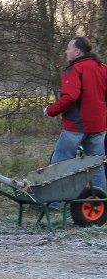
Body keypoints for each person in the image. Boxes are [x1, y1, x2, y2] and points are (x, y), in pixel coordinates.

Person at [45, 37, 107, 193]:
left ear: (78, 51)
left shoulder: (75, 69)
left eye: (68, 48)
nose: (66, 51)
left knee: (59, 163)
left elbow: (70, 97)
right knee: (95, 165)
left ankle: (53, 202)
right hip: (99, 125)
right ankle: (99, 203)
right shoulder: (103, 68)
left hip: (77, 126)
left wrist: (50, 110)